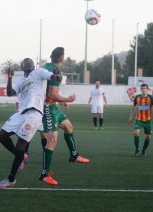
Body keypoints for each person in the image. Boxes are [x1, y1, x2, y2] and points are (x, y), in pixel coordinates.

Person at [0, 58, 64, 189]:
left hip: (35, 113)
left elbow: (55, 77)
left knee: (21, 145)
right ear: (22, 66)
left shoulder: (39, 72)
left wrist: (56, 74)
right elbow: (9, 93)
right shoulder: (22, 81)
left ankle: (11, 179)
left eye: (30, 62)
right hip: (21, 113)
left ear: (33, 65)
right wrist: (9, 78)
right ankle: (21, 156)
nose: (28, 63)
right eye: (26, 62)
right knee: (1, 136)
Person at [39, 47, 90, 186]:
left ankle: (73, 155)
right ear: (62, 59)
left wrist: (60, 101)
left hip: (52, 106)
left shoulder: (45, 66)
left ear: (50, 56)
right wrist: (67, 99)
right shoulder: (56, 72)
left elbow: (50, 93)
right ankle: (44, 173)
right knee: (52, 140)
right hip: (46, 108)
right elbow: (52, 94)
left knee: (68, 127)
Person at [128, 84, 153, 157]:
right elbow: (134, 106)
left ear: (147, 89)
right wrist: (131, 115)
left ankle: (143, 150)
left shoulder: (151, 98)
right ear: (140, 89)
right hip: (139, 119)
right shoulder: (137, 97)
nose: (143, 89)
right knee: (136, 132)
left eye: (145, 88)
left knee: (148, 137)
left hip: (148, 120)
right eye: (142, 88)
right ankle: (137, 150)